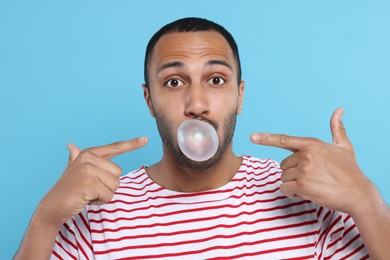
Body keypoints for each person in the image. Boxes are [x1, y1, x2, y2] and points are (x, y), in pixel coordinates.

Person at [15, 17, 390, 259]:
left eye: (215, 80)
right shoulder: (97, 213)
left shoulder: (306, 195)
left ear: (240, 96)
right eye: (174, 82)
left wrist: (367, 201)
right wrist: (44, 220)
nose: (196, 104)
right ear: (149, 99)